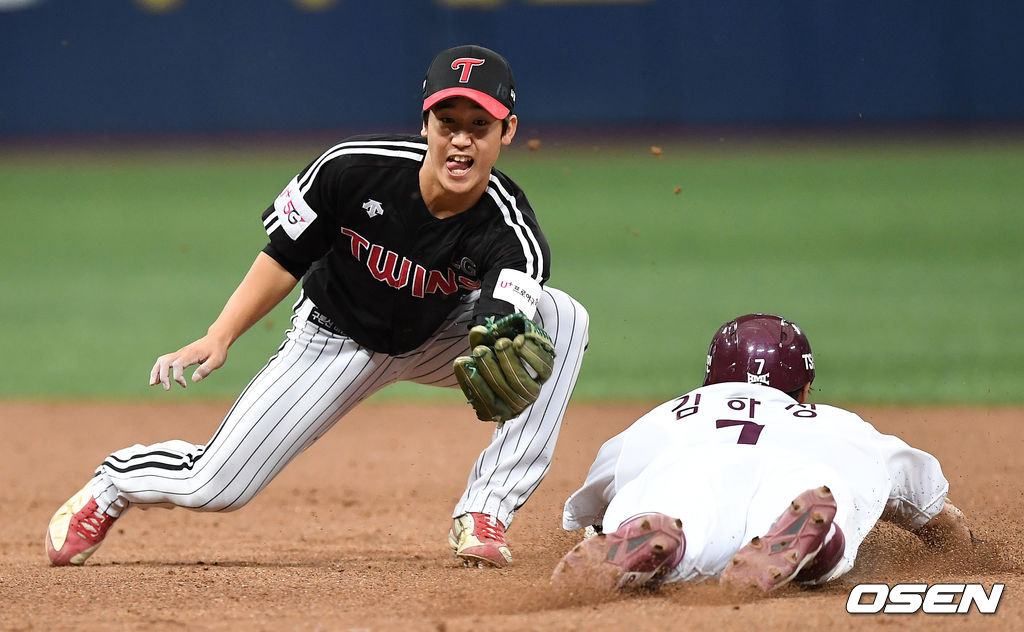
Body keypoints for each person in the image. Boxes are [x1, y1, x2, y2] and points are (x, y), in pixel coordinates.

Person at [45, 45, 589, 570]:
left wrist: (495, 336)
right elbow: (285, 254)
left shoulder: (511, 228)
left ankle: (484, 512)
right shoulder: (352, 168)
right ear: (425, 123)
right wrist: (220, 334)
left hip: (437, 338)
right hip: (334, 338)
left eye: (480, 126)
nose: (461, 142)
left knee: (563, 317)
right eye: (448, 123)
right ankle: (114, 483)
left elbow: (503, 312)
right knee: (214, 486)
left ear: (508, 131)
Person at [550, 313, 971, 592]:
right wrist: (964, 550)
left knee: (668, 501)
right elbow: (932, 510)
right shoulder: (838, 425)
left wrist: (606, 523)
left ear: (709, 381)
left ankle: (671, 543)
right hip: (796, 473)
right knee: (821, 492)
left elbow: (591, 506)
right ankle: (818, 546)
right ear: (805, 390)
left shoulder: (661, 419)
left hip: (686, 473)